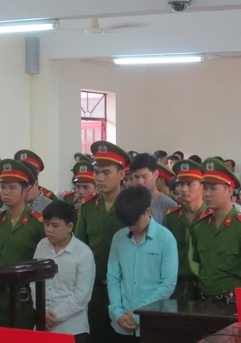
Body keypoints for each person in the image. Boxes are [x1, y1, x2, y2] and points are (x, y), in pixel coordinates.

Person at [75, 141, 130, 343]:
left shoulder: (131, 206)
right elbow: (80, 248)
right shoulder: (88, 207)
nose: (99, 178)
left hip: (126, 289)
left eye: (106, 173)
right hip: (95, 288)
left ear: (121, 174)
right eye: (97, 172)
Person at [189, 158, 241, 301]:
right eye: (205, 188)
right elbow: (199, 266)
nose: (207, 194)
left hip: (233, 304)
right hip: (204, 302)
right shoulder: (199, 227)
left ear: (229, 191)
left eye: (213, 188)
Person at [107, 185, 178, 343]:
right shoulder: (118, 238)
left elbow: (168, 284)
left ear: (148, 211)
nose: (132, 227)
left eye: (135, 222)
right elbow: (113, 278)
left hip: (153, 323)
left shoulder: (165, 238)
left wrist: (138, 313)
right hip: (122, 323)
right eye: (127, 223)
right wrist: (117, 312)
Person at [0, 159, 45, 329]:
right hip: (0, 294)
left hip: (26, 295)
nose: (5, 192)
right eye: (3, 187)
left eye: (12, 188)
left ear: (25, 190)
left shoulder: (37, 223)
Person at [32, 201, 95, 342]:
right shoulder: (42, 245)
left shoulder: (83, 253)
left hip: (72, 328)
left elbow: (82, 294)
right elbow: (34, 281)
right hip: (42, 324)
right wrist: (41, 311)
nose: (49, 230)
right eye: (46, 224)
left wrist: (55, 316)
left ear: (70, 226)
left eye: (55, 226)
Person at [165, 159, 211, 300]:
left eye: (189, 184)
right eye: (181, 184)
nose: (183, 189)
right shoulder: (172, 218)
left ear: (202, 186)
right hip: (176, 288)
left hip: (206, 288)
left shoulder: (212, 217)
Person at [129, 153, 177, 225]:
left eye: (144, 177)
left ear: (156, 175)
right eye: (136, 177)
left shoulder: (168, 205)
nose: (140, 182)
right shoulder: (127, 201)